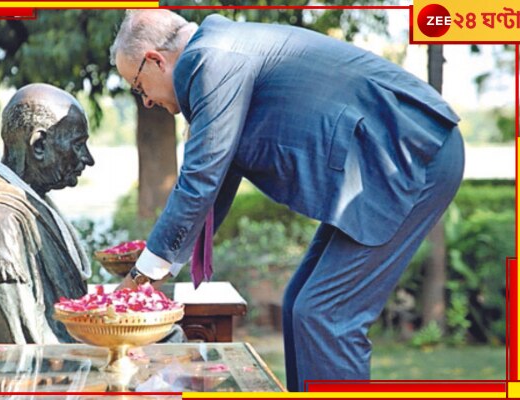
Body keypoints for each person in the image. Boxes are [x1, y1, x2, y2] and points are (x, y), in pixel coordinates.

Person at [110, 10, 465, 391]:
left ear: (155, 60)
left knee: (326, 315)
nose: (144, 101)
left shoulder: (209, 58)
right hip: (391, 157)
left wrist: (140, 279)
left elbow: (201, 179)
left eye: (137, 85)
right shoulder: (217, 55)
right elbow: (213, 188)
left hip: (410, 151)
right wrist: (155, 266)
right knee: (300, 304)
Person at [0, 83, 95, 344]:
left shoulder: (25, 201)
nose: (88, 158)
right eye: (78, 144)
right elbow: (24, 341)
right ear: (39, 145)